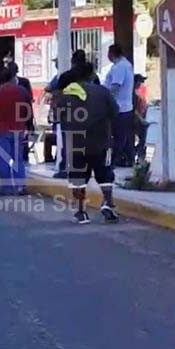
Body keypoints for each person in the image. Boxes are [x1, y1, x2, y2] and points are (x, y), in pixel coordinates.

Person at [54, 63, 119, 224]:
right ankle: (108, 203)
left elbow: (57, 117)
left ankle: (81, 212)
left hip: (75, 143)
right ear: (92, 75)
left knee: (77, 178)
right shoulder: (103, 92)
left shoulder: (65, 95)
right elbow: (115, 112)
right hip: (101, 141)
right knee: (105, 175)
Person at [0, 64, 33, 196]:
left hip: (2, 130)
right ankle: (20, 187)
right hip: (18, 129)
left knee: (3, 159)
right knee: (18, 158)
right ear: (13, 78)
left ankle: (7, 188)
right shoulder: (22, 91)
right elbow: (28, 110)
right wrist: (29, 126)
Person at [104, 44, 135, 167]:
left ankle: (116, 159)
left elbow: (115, 87)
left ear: (112, 54)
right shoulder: (125, 65)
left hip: (119, 106)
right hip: (125, 106)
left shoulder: (119, 67)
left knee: (118, 135)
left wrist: (105, 98)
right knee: (123, 135)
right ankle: (127, 158)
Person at [133, 74, 149, 165]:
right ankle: (138, 154)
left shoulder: (141, 92)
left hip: (141, 119)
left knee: (143, 140)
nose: (142, 83)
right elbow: (134, 110)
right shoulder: (134, 94)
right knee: (142, 139)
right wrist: (141, 120)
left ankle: (139, 154)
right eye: (140, 81)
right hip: (136, 121)